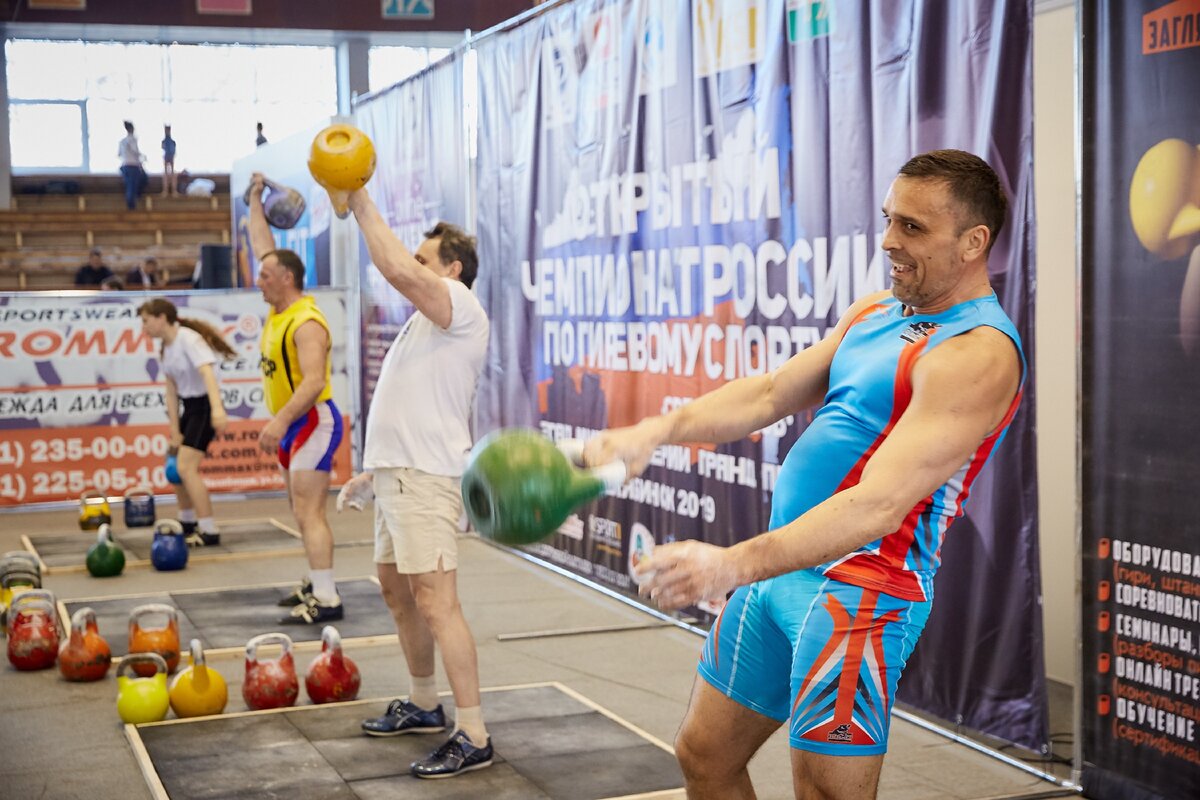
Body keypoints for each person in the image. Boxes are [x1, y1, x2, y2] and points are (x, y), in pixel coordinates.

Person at [582, 149, 1025, 800]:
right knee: (704, 755)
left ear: (973, 242)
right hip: (780, 575)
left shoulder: (977, 353)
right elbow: (768, 394)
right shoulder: (877, 312)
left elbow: (877, 506)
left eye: (912, 228)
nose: (888, 241)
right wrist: (657, 430)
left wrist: (732, 564)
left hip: (860, 596)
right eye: (888, 220)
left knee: (824, 794)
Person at [334, 188, 492, 779]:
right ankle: (425, 703)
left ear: (452, 271)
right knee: (397, 594)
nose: (414, 270)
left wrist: (359, 199)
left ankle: (473, 733)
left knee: (436, 602)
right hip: (399, 476)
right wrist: (375, 474)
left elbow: (395, 266)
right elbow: (409, 405)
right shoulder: (425, 325)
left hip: (427, 478)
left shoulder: (460, 307)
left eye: (427, 261)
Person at [247, 172, 344, 625]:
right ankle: (317, 580)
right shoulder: (278, 306)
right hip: (297, 424)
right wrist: (253, 199)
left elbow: (312, 381)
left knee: (310, 511)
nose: (258, 279)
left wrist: (279, 422)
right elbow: (261, 242)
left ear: (287, 278)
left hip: (312, 421)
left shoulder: (306, 321)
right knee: (300, 511)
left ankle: (327, 599)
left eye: (266, 275)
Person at [138, 298, 236, 547]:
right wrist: (174, 430)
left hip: (204, 406)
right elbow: (171, 389)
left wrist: (217, 410)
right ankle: (187, 520)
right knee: (174, 468)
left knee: (186, 468)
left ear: (162, 318)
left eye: (146, 321)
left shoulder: (189, 339)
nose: (144, 328)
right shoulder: (166, 348)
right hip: (189, 409)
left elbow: (207, 373)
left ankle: (209, 529)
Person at [118, 120, 147, 210]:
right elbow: (135, 152)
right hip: (132, 166)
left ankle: (132, 202)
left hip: (125, 166)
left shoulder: (122, 141)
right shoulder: (132, 140)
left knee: (130, 185)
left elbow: (119, 154)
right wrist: (143, 158)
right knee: (132, 185)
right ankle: (131, 205)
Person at [161, 125, 177, 197]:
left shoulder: (171, 141)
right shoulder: (166, 141)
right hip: (167, 156)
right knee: (166, 174)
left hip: (170, 156)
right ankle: (166, 190)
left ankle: (173, 191)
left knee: (171, 173)